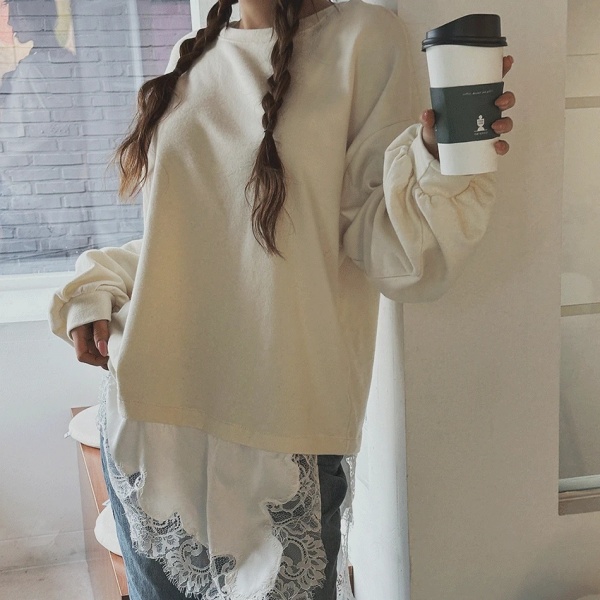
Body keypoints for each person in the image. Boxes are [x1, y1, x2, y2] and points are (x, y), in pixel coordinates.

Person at [49, 0, 516, 598]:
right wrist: (96, 285)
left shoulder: (363, 39)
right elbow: (188, 239)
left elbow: (391, 251)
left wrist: (436, 155)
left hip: (281, 433)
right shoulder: (190, 54)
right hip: (152, 418)